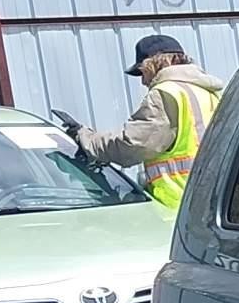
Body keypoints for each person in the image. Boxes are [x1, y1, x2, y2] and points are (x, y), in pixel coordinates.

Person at [60, 34, 226, 209]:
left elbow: (132, 146)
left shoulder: (165, 93)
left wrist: (87, 139)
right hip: (211, 203)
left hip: (176, 208)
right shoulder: (208, 93)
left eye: (142, 71)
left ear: (153, 64)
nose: (143, 80)